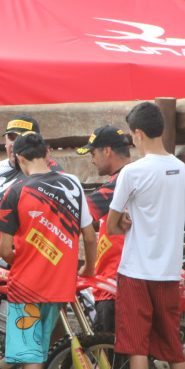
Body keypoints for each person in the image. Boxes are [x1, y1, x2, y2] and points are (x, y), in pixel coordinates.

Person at [0, 131, 97, 369]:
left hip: (27, 287)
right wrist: (88, 268)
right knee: (37, 353)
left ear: (20, 158)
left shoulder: (15, 191)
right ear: (47, 152)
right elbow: (90, 237)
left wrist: (19, 254)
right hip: (61, 286)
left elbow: (4, 249)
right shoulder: (72, 184)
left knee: (32, 362)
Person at [106, 102, 185, 369]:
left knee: (137, 350)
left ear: (137, 134)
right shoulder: (181, 168)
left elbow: (112, 225)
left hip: (137, 271)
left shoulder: (133, 172)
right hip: (170, 271)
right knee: (175, 352)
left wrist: (125, 220)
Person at [0, 114, 63, 262]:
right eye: (11, 138)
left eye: (19, 138)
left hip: (29, 258)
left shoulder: (49, 168)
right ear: (5, 142)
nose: (14, 144)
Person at [76, 125, 134, 332]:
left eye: (93, 153)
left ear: (107, 151)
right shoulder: (135, 176)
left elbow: (79, 213)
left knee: (112, 359)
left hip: (114, 284)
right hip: (125, 282)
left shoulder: (121, 180)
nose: (92, 160)